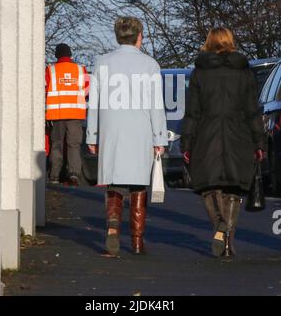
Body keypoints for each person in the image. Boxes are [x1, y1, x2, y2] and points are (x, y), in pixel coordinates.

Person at [86, 17, 168, 256]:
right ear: (139, 36)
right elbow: (156, 105)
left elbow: (95, 104)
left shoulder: (102, 63)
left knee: (114, 182)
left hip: (112, 129)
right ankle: (137, 240)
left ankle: (113, 228)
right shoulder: (150, 65)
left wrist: (93, 134)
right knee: (138, 184)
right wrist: (159, 138)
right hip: (140, 130)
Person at [182, 27, 266, 258]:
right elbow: (252, 110)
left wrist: (186, 144)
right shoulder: (244, 71)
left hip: (206, 135)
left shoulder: (200, 72)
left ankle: (219, 224)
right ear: (230, 42)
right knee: (232, 189)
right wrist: (259, 142)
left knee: (209, 186)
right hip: (238, 135)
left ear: (209, 42)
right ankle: (228, 240)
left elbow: (193, 112)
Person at [45, 43, 89, 184]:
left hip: (57, 115)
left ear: (57, 55)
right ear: (70, 55)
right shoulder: (81, 70)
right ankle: (74, 174)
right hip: (75, 114)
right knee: (74, 145)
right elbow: (87, 91)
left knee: (56, 145)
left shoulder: (50, 70)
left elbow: (45, 90)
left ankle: (54, 176)